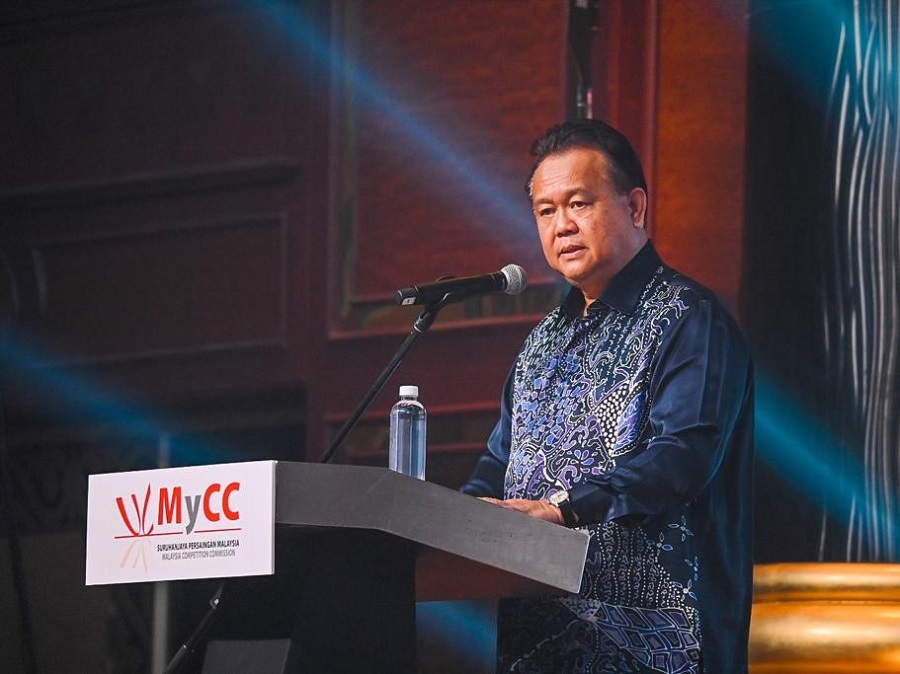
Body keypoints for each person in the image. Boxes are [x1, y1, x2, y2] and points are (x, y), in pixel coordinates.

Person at [462, 118, 754, 673]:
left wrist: (565, 510)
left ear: (636, 207)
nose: (562, 226)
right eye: (546, 211)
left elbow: (682, 457)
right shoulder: (543, 340)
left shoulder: (690, 318)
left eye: (579, 203)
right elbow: (501, 459)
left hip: (662, 643)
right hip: (539, 639)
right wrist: (455, 516)